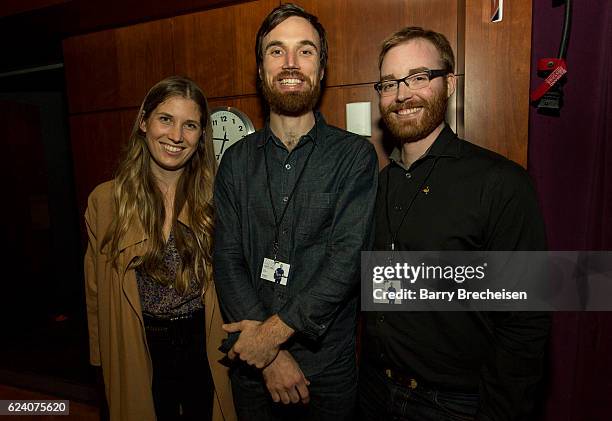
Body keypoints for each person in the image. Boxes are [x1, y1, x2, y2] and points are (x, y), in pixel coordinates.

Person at [360, 27, 550, 420]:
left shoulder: (501, 183)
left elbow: (526, 325)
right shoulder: (373, 188)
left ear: (448, 85)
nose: (402, 94)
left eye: (418, 77)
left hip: (456, 406)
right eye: (390, 83)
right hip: (374, 392)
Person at [213, 3, 378, 420]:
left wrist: (268, 337)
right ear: (260, 69)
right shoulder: (234, 160)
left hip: (328, 370)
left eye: (305, 51)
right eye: (276, 50)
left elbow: (346, 261)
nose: (290, 63)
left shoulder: (354, 156)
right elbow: (228, 259)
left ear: (321, 70)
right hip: (252, 371)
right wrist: (269, 356)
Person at [84, 76, 236, 421]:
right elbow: (95, 292)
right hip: (138, 344)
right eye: (165, 119)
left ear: (200, 138)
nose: (176, 136)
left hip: (205, 343)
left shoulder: (219, 198)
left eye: (190, 125)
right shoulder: (106, 201)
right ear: (143, 122)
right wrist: (100, 357)